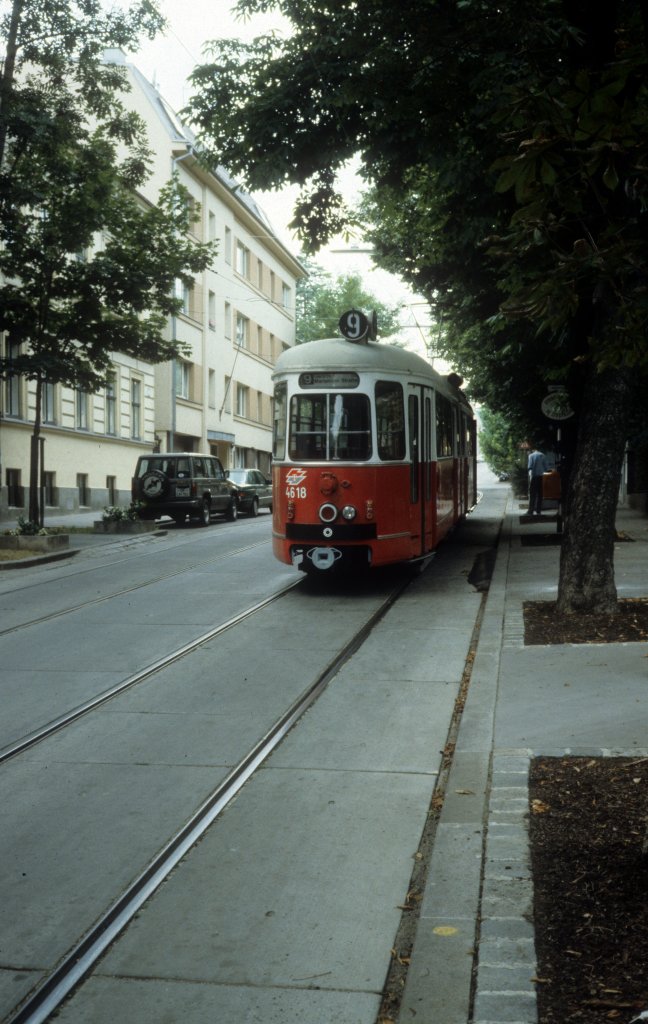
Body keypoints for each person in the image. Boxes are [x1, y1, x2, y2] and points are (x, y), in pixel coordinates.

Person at [527, 447, 548, 515]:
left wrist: (530, 475)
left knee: (532, 494)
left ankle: (531, 510)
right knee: (540, 494)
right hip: (542, 477)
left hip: (534, 477)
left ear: (533, 449)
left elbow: (530, 467)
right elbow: (546, 468)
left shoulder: (531, 456)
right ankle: (538, 510)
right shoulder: (543, 455)